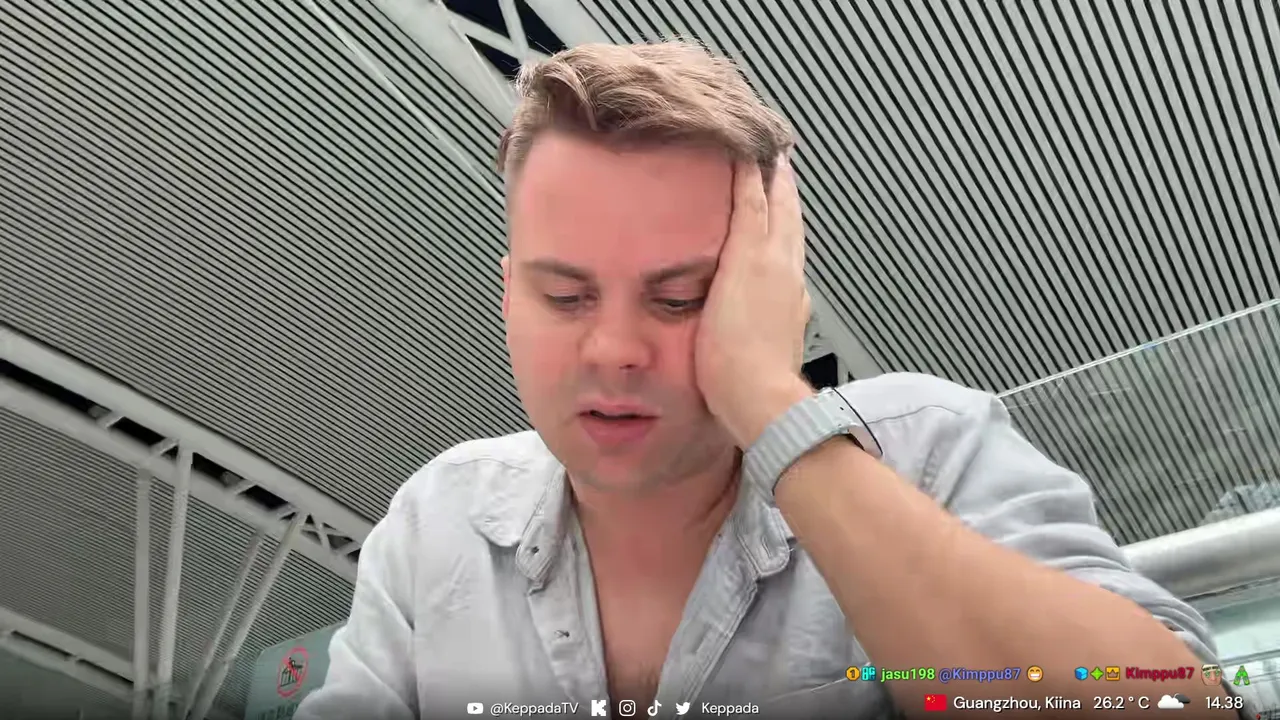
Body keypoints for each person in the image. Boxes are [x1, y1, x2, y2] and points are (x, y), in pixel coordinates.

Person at [298, 41, 1243, 719]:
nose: (614, 349)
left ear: (769, 290)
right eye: (565, 296)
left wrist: (768, 402)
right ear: (510, 293)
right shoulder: (437, 523)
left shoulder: (928, 448)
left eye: (681, 298)